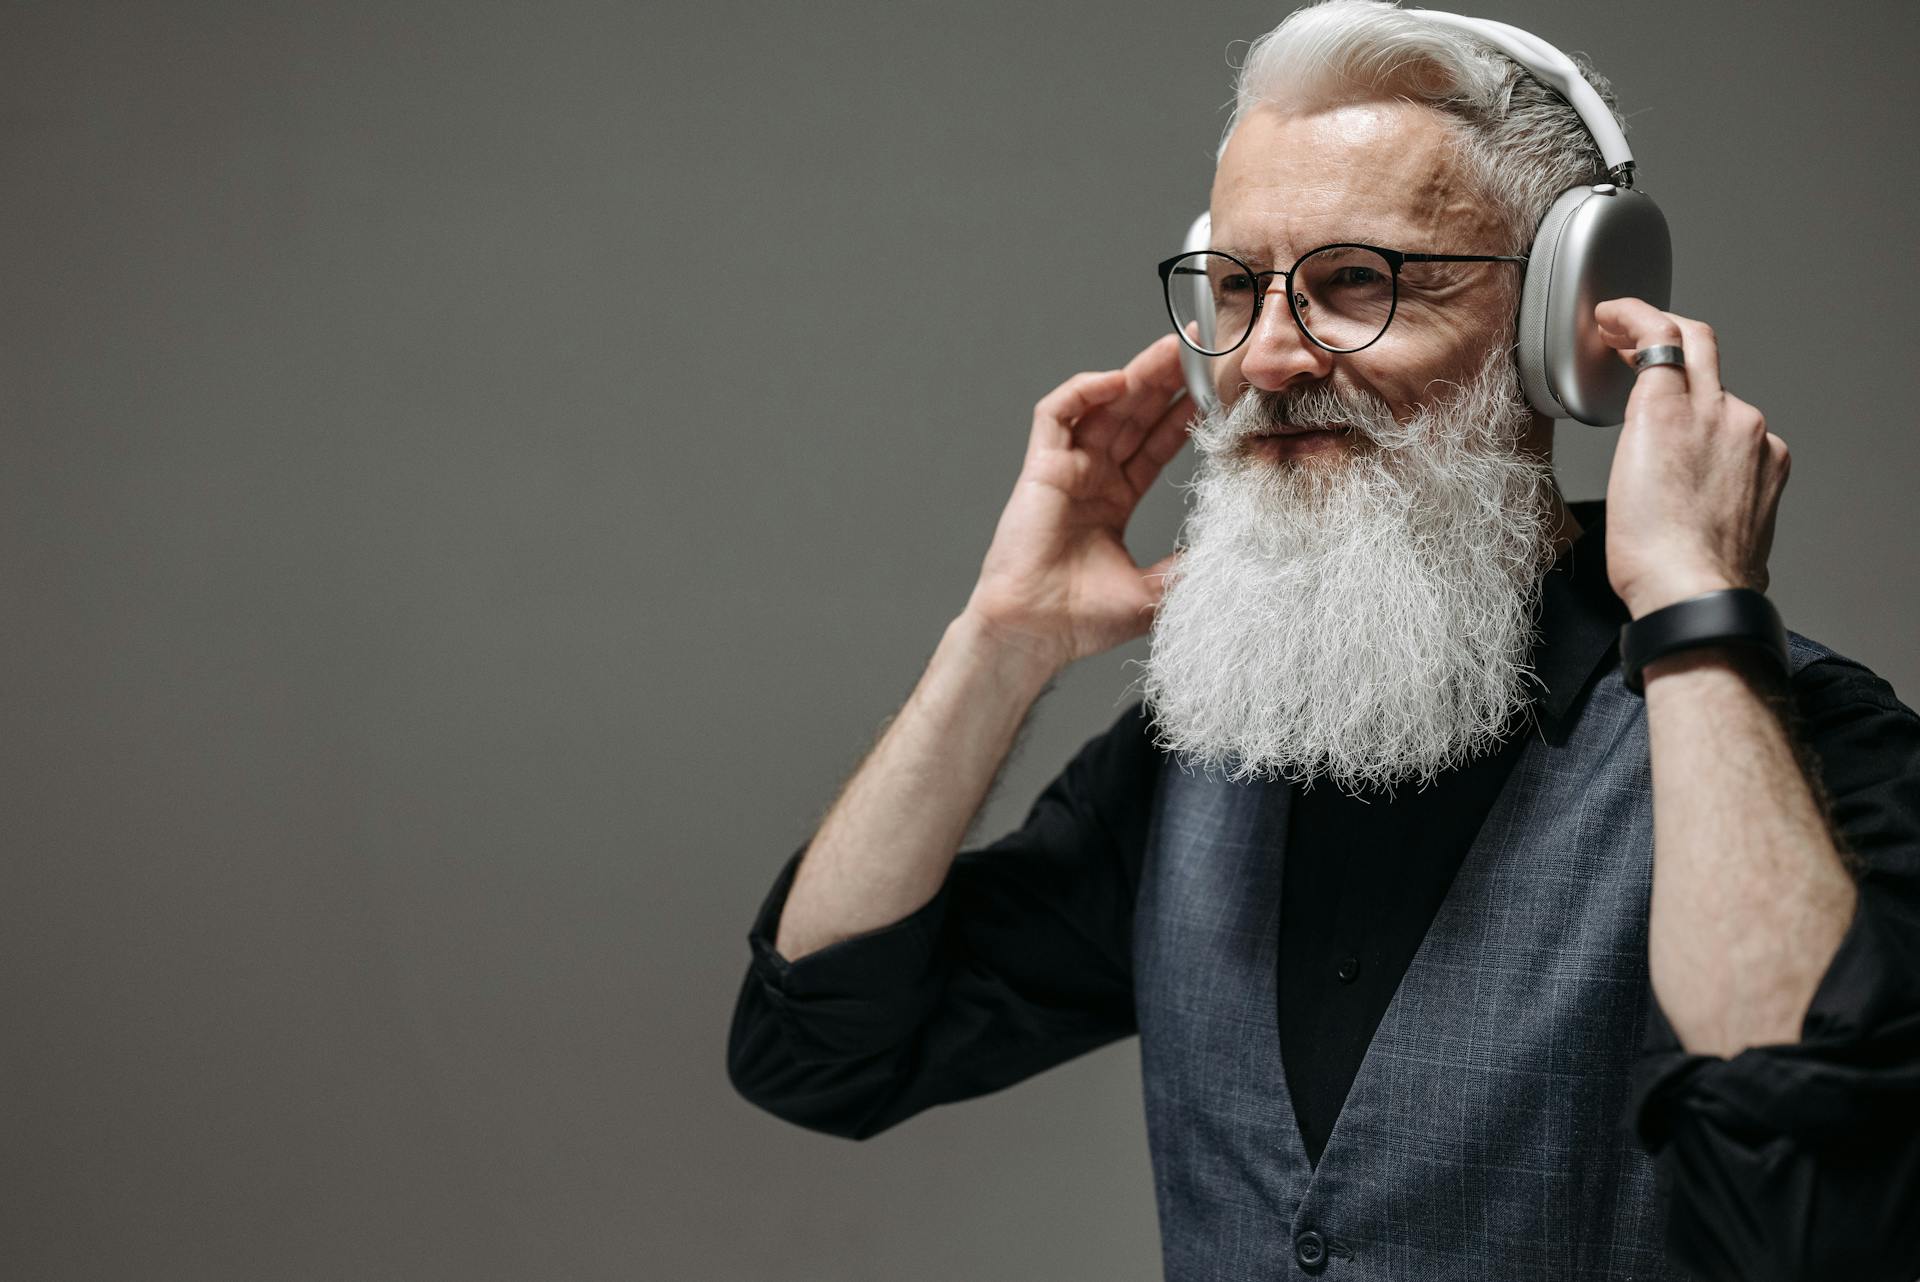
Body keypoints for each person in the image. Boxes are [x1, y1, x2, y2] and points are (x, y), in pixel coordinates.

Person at [726, 3, 1920, 1278]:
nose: (1271, 356)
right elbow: (816, 1049)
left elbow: (1821, 1204)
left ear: (1567, 321)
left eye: (1361, 279)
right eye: (1236, 288)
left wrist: (1696, 607)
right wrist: (1000, 640)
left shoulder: (1797, 737)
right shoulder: (1205, 748)